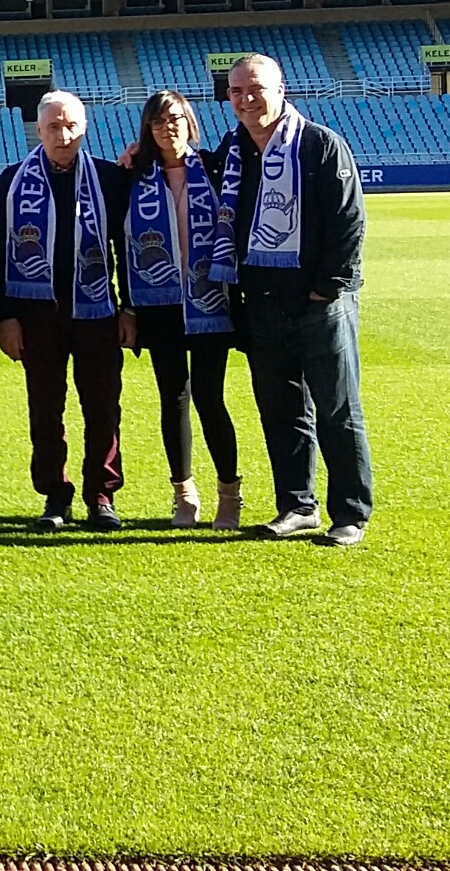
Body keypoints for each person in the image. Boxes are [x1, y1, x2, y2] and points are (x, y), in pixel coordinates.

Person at [215, 54, 371, 547]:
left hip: (319, 303)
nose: (246, 99)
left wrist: (326, 286)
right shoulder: (232, 151)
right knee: (280, 410)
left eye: (256, 88)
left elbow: (349, 221)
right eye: (236, 91)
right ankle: (297, 505)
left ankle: (350, 513)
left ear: (281, 90)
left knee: (337, 410)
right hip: (261, 303)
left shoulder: (320, 144)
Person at [0, 90, 131, 530]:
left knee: (103, 407)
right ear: (38, 130)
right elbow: (0, 251)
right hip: (35, 313)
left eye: (70, 126)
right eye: (53, 127)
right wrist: (7, 317)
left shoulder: (108, 178)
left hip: (97, 309)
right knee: (46, 409)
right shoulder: (13, 180)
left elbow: (127, 247)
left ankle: (101, 495)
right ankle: (55, 496)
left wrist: (129, 307)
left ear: (84, 128)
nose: (63, 135)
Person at [120, 89, 243, 530]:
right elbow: (120, 245)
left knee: (210, 398)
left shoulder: (213, 167)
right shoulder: (132, 177)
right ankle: (184, 495)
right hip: (159, 304)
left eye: (174, 119)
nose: (167, 127)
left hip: (209, 300)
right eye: (157, 121)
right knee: (172, 400)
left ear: (189, 123)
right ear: (147, 130)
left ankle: (229, 494)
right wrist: (128, 306)